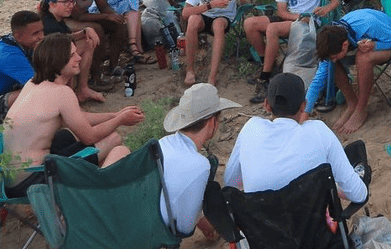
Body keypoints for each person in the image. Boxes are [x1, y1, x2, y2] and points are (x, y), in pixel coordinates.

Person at [2, 33, 145, 198]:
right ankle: (96, 193)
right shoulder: (62, 92)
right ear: (57, 61)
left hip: (11, 179)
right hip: (34, 180)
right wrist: (120, 120)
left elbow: (78, 118)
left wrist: (115, 115)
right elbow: (89, 137)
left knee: (71, 134)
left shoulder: (33, 83)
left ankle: (90, 180)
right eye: (72, 56)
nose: (78, 58)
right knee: (114, 141)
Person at [224, 72, 367, 204]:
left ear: (267, 105)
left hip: (261, 229)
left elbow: (231, 184)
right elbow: (358, 195)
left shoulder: (251, 129)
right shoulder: (319, 131)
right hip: (313, 228)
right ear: (303, 106)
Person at [243, 0, 339, 104]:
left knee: (272, 28)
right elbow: (281, 11)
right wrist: (298, 16)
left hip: (310, 21)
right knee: (250, 23)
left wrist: (325, 9)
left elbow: (334, 0)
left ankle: (264, 77)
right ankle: (268, 63)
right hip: (293, 17)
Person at [160, 83, 241, 237]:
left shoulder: (163, 143)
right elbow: (185, 229)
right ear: (212, 122)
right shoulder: (201, 165)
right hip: (158, 235)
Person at [303, 10, 391, 134]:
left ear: (345, 45)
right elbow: (318, 81)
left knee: (363, 58)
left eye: (335, 55)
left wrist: (375, 45)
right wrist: (305, 113)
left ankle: (361, 110)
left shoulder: (369, 25)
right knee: (331, 64)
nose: (334, 59)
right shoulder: (332, 39)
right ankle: (352, 104)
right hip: (370, 41)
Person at [181, 0, 250, 87]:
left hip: (224, 17)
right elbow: (185, 13)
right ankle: (190, 70)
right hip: (206, 13)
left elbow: (248, 3)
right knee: (193, 20)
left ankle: (212, 77)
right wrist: (211, 5)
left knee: (218, 24)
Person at [40, 0, 108, 103]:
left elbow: (66, 36)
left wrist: (85, 31)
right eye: (65, 2)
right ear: (52, 4)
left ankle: (83, 89)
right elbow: (63, 42)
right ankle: (70, 95)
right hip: (48, 66)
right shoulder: (49, 23)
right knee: (75, 50)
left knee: (88, 42)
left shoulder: (57, 18)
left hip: (57, 57)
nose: (71, 5)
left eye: (72, 1)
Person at [66, 0, 128, 80]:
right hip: (67, 19)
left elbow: (104, 6)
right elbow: (78, 16)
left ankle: (113, 66)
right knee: (96, 29)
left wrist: (115, 16)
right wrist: (106, 16)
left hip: (83, 17)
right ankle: (95, 75)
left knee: (118, 25)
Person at [89, 0, 153, 65]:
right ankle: (134, 48)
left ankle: (136, 47)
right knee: (131, 8)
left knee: (134, 10)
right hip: (100, 5)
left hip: (116, 3)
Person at [0, 11, 44, 120]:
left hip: (9, 89)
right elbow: (37, 84)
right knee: (34, 93)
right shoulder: (10, 56)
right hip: (5, 94)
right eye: (36, 33)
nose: (41, 36)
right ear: (18, 36)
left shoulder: (23, 44)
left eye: (42, 31)